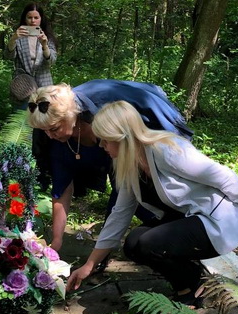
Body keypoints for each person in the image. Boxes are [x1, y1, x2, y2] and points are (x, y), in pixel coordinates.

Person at [64, 101, 238, 306]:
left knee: (149, 244)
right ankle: (191, 276)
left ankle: (190, 287)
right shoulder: (128, 164)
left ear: (122, 138)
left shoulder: (166, 151)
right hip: (190, 218)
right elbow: (120, 214)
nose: (101, 146)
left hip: (216, 220)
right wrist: (89, 265)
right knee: (134, 243)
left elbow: (223, 176)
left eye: (105, 140)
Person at [27, 81, 194, 252]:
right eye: (44, 130)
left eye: (54, 129)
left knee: (147, 201)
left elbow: (124, 194)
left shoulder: (104, 119)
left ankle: (185, 238)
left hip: (141, 152)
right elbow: (61, 189)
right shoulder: (56, 140)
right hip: (121, 167)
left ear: (70, 115)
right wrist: (56, 241)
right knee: (125, 207)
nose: (49, 135)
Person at [6, 2, 57, 102]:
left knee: (43, 116)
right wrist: (13, 40)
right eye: (29, 17)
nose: (33, 21)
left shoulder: (47, 36)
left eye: (36, 17)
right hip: (23, 86)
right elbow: (8, 56)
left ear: (41, 18)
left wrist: (45, 45)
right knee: (22, 116)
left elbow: (52, 61)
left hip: (44, 85)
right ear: (25, 18)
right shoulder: (18, 36)